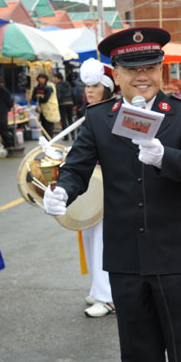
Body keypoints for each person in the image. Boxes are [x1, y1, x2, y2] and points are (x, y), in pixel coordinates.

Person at [44, 27, 181, 362]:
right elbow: (77, 167)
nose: (143, 76)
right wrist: (62, 191)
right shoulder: (100, 118)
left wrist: (164, 157)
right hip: (125, 252)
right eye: (132, 69)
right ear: (115, 74)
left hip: (174, 251)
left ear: (161, 70)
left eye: (151, 67)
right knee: (138, 348)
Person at [77, 58, 117, 319]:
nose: (90, 91)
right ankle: (97, 288)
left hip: (108, 186)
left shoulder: (113, 114)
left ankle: (108, 297)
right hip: (91, 187)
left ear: (107, 88)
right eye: (87, 86)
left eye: (95, 86)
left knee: (103, 240)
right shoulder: (89, 114)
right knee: (90, 237)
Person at [32, 73, 58, 137]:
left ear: (45, 79)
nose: (41, 80)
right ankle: (45, 140)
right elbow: (33, 98)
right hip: (41, 110)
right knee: (43, 126)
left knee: (49, 127)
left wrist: (38, 97)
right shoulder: (36, 88)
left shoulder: (48, 88)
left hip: (49, 110)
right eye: (40, 78)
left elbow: (45, 99)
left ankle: (50, 140)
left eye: (43, 78)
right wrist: (41, 97)